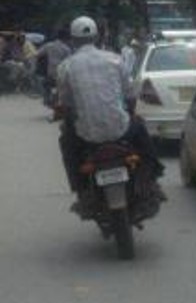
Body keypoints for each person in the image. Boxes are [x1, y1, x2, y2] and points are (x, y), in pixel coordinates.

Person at [54, 15, 164, 204]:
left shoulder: (66, 67)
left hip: (87, 134)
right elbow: (129, 95)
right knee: (139, 125)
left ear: (73, 39)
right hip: (120, 130)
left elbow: (65, 102)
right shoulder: (115, 60)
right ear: (97, 37)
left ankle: (80, 187)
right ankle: (153, 173)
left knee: (66, 141)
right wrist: (129, 112)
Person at [35, 26, 73, 108]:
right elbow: (70, 63)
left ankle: (47, 98)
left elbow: (37, 54)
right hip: (61, 75)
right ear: (66, 38)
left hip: (50, 73)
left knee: (46, 84)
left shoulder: (49, 45)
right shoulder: (66, 49)